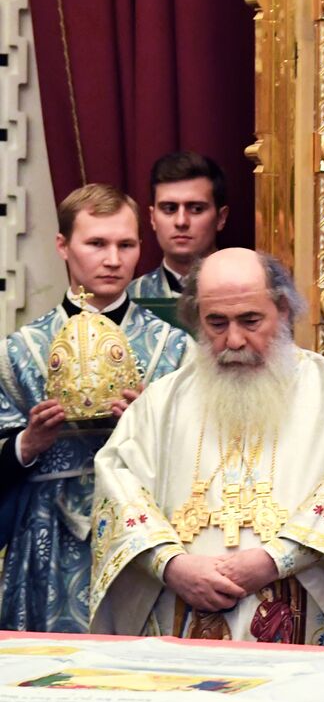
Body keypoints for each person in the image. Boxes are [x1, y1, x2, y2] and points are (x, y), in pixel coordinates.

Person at [91, 248, 324, 645]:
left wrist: (273, 561)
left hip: (298, 629)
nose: (233, 340)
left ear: (284, 310)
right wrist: (171, 565)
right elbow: (118, 489)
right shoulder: (160, 403)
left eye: (250, 320)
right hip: (177, 624)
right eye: (216, 323)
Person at [0, 184, 190, 632]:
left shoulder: (176, 348)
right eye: (96, 244)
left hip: (147, 532)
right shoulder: (19, 352)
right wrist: (28, 442)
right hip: (47, 534)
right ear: (63, 245)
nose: (113, 259)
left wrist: (149, 429)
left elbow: (205, 454)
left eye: (126, 245)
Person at [129, 152, 230, 298]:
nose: (181, 222)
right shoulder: (130, 299)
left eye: (196, 209)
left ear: (221, 218)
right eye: (169, 209)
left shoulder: (252, 294)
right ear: (152, 218)